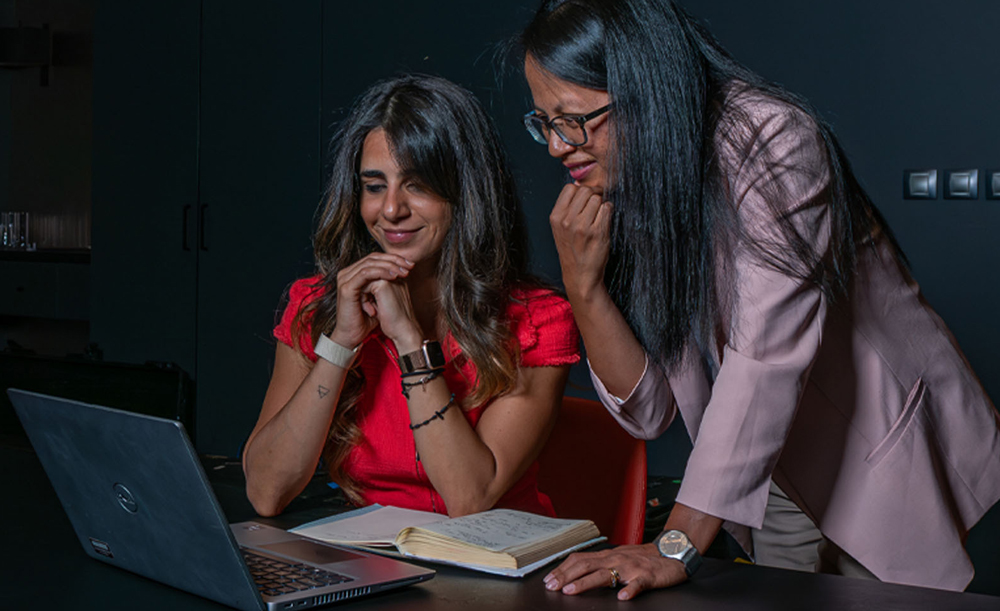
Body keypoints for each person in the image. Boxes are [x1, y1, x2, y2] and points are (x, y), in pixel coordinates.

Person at [515, 0, 1000, 599]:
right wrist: (583, 286)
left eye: (573, 119)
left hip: (877, 454)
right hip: (758, 477)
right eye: (543, 123)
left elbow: (765, 357)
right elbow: (648, 412)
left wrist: (677, 542)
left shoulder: (771, 138)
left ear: (645, 89)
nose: (558, 146)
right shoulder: (636, 178)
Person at [242, 75, 580, 520]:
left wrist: (409, 342)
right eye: (375, 185)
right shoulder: (316, 306)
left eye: (417, 184)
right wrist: (340, 344)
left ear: (464, 191)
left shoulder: (536, 320)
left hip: (490, 573)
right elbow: (266, 492)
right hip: (372, 562)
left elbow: (468, 498)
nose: (391, 210)